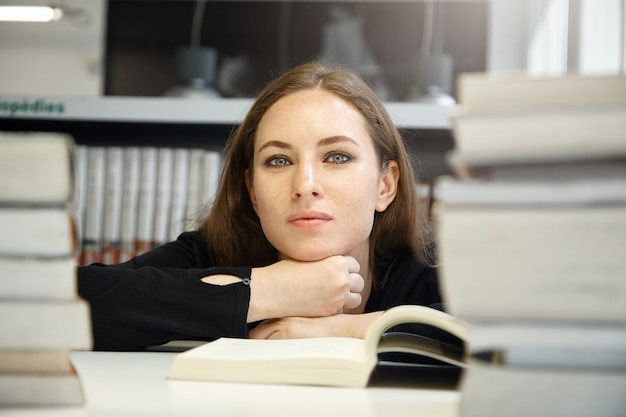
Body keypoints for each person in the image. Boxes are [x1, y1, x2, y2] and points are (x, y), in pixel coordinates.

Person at [78, 60, 441, 351]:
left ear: (385, 185)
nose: (305, 186)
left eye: (337, 156)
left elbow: (494, 336)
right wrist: (265, 290)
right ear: (252, 189)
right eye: (279, 161)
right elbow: (73, 300)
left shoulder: (427, 268)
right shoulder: (212, 252)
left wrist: (345, 328)